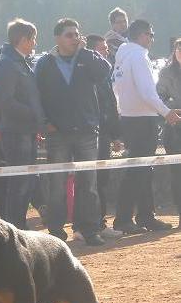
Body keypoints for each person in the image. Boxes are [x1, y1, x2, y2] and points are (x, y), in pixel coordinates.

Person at [36, 18, 111, 246]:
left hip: (87, 130)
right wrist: (45, 122)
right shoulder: (44, 63)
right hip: (57, 133)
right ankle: (56, 232)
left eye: (77, 34)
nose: (75, 38)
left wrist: (86, 52)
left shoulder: (88, 58)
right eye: (69, 34)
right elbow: (36, 96)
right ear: (57, 38)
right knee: (56, 184)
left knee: (88, 183)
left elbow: (105, 71)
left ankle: (87, 229)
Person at [112, 19, 180, 234]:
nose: (152, 39)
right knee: (138, 170)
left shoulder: (122, 56)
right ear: (142, 35)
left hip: (130, 117)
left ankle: (145, 215)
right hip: (143, 120)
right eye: (151, 34)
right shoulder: (139, 56)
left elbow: (117, 87)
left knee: (141, 169)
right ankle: (125, 218)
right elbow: (147, 91)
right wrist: (166, 112)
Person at [0, 18, 45, 229]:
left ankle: (18, 225)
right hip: (15, 132)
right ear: (23, 40)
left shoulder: (20, 62)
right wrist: (35, 115)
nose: (34, 43)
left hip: (26, 131)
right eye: (33, 39)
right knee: (19, 183)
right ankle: (15, 227)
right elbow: (7, 102)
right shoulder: (7, 64)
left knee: (27, 181)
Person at [73, 34, 123, 240]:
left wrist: (116, 135)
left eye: (106, 50)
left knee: (97, 181)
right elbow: (104, 109)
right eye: (101, 50)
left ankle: (92, 223)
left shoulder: (103, 78)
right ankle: (89, 225)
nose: (106, 53)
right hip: (93, 133)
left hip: (103, 134)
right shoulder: (90, 77)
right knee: (90, 181)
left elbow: (111, 108)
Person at [157, 38, 181, 227]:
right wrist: (174, 109)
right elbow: (159, 100)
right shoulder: (166, 73)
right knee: (177, 173)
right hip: (175, 129)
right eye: (179, 48)